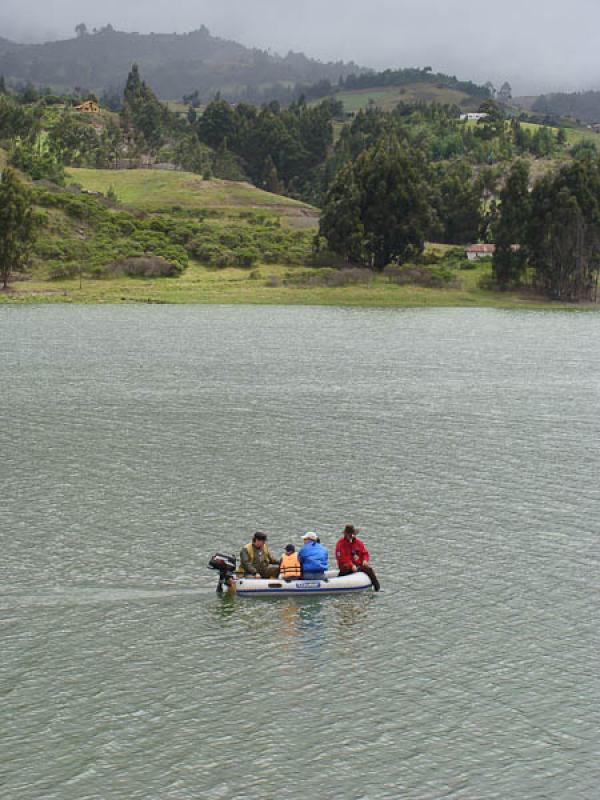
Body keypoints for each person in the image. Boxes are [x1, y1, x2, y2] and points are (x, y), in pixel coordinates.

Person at [335, 524, 380, 591]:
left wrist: (365, 560)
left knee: (369, 569)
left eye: (352, 534)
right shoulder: (340, 544)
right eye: (349, 535)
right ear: (346, 534)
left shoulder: (359, 543)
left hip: (358, 565)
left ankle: (377, 587)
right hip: (346, 566)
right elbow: (342, 557)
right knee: (346, 567)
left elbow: (365, 553)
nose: (351, 536)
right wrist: (351, 565)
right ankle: (337, 584)